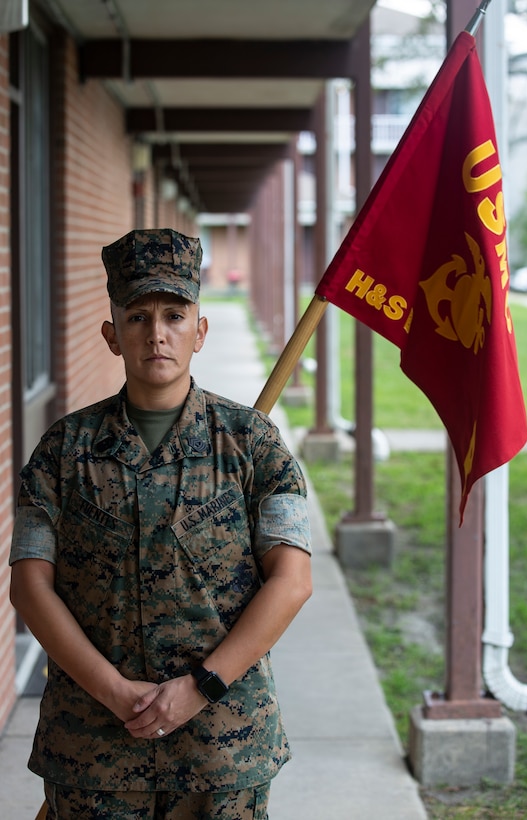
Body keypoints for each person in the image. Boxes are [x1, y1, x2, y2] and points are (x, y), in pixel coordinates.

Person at [10, 228, 312, 820]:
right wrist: (114, 692)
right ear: (111, 334)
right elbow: (29, 585)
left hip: (222, 750)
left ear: (200, 331)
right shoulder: (63, 450)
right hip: (94, 747)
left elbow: (292, 580)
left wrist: (201, 687)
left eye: (175, 314)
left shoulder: (253, 444)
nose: (157, 333)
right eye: (137, 316)